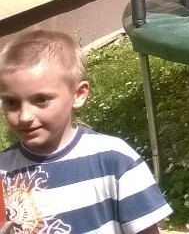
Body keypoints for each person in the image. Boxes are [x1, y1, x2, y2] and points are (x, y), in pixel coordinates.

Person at [0, 30, 172, 234]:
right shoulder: (3, 170)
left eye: (41, 100)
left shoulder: (113, 160)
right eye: (11, 102)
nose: (24, 116)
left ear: (78, 95)